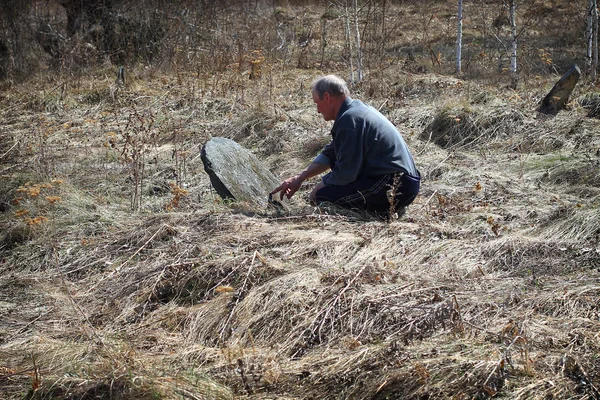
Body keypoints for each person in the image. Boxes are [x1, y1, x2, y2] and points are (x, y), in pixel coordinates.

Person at [271, 75, 420, 217]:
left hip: (395, 184)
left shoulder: (350, 119)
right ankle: (385, 210)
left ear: (327, 97)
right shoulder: (355, 111)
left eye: (317, 103)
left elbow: (346, 173)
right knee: (327, 192)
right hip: (404, 183)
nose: (317, 110)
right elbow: (330, 154)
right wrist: (299, 178)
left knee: (323, 197)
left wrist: (319, 187)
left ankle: (381, 213)